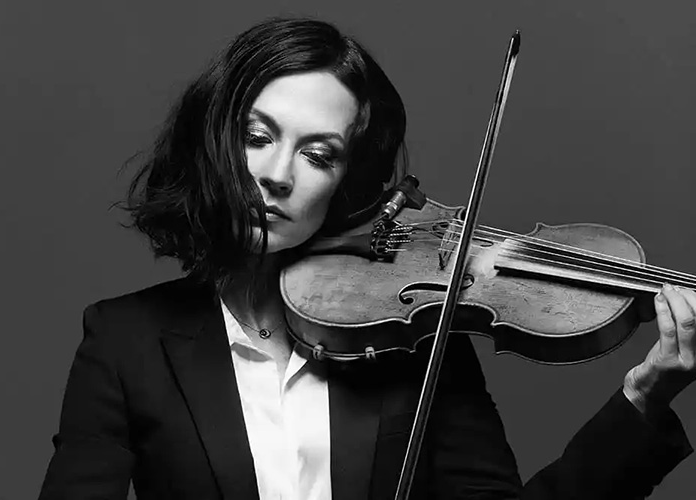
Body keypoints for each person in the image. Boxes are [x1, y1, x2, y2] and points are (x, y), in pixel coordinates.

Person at [38, 17, 694, 500]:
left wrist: (644, 395)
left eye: (318, 154)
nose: (277, 175)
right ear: (217, 142)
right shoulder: (125, 341)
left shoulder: (415, 341)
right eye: (257, 137)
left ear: (348, 180)